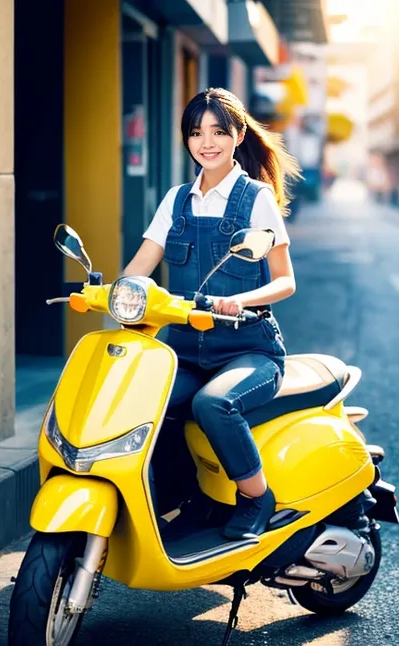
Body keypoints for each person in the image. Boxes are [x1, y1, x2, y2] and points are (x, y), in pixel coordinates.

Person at [122, 87, 300, 540]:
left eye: (219, 131)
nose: (207, 142)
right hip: (183, 349)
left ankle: (256, 496)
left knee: (212, 403)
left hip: (248, 348)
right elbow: (141, 265)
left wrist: (241, 300)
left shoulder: (255, 199)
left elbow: (285, 281)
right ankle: (185, 494)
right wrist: (115, 292)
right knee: (144, 400)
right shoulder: (176, 200)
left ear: (238, 135)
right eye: (197, 132)